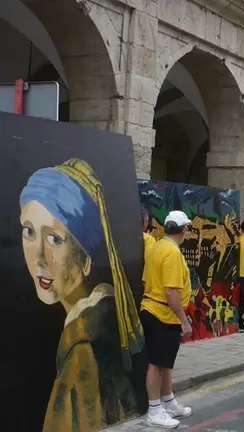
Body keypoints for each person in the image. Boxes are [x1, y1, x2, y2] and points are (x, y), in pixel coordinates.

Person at [19, 159, 145, 431]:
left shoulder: (83, 352)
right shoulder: (103, 322)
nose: (39, 258)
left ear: (87, 258)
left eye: (54, 239)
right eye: (28, 231)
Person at [141, 210, 195, 428]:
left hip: (157, 311)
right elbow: (170, 291)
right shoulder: (172, 253)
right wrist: (184, 320)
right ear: (183, 230)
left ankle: (169, 402)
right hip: (162, 313)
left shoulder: (157, 246)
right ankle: (155, 410)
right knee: (157, 364)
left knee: (165, 363)